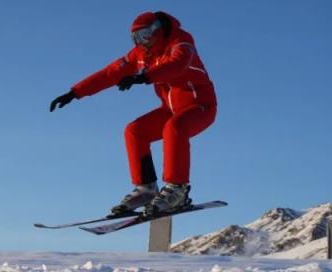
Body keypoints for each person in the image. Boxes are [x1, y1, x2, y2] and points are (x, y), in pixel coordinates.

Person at [50, 11, 217, 216]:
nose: (141, 42)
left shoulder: (181, 42)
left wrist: (144, 77)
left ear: (158, 30)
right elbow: (110, 73)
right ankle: (146, 189)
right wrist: (75, 92)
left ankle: (177, 189)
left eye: (144, 35)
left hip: (200, 107)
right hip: (170, 110)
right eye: (136, 38)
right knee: (135, 131)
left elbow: (176, 65)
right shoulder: (141, 54)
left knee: (174, 128)